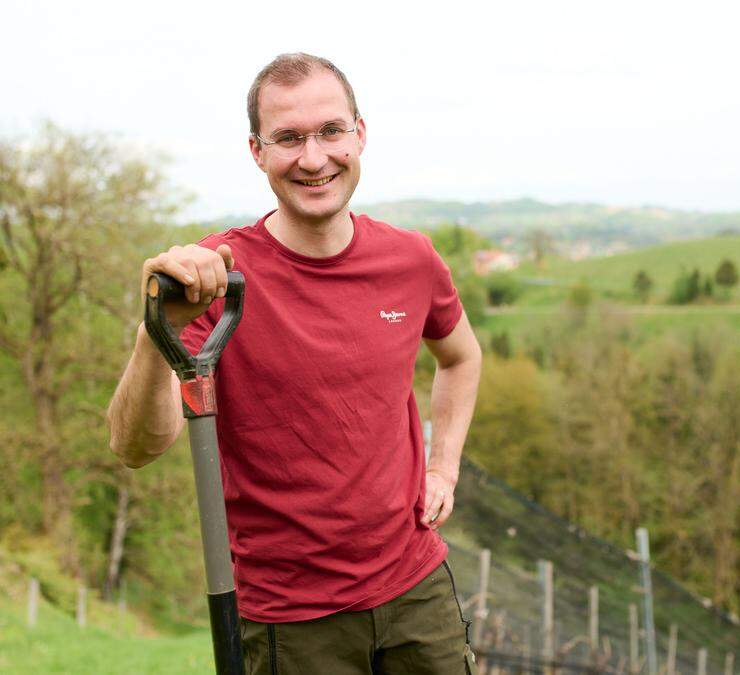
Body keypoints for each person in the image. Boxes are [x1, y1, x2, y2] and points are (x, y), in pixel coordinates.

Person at [107, 53, 483, 674]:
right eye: (288, 138)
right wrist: (156, 333)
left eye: (331, 131)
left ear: (360, 133)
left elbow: (462, 357)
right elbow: (135, 445)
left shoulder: (410, 260)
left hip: (417, 590)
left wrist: (442, 466)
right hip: (291, 619)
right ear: (257, 151)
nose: (313, 158)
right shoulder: (213, 277)